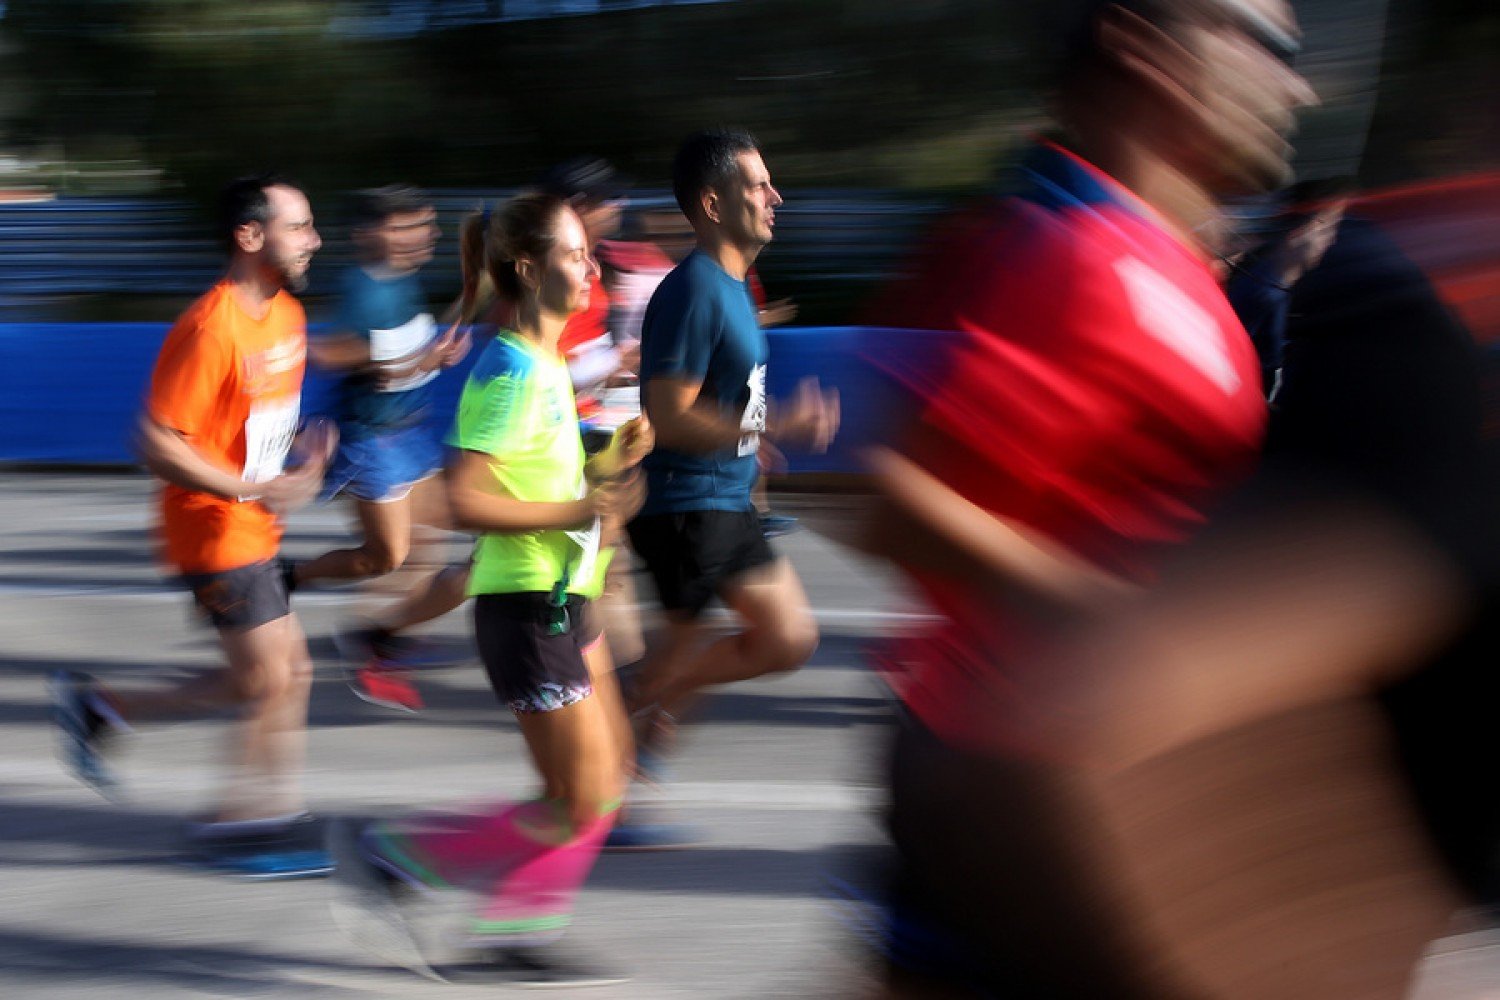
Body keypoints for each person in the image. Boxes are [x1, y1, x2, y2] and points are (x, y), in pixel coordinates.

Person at [853, 0, 1316, 993]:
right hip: (1019, 791)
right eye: (1269, 46)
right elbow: (904, 503)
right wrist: (1136, 612)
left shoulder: (1168, 263)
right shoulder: (1078, 259)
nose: (1298, 85)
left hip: (1094, 786)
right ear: (1147, 47)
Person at [333, 191, 651, 986]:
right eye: (576, 254)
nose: (592, 266)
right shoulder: (510, 368)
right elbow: (466, 496)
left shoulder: (543, 363)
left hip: (567, 597)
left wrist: (609, 464)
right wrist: (584, 502)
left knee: (605, 781)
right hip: (527, 609)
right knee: (576, 799)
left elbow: (543, 469)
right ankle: (398, 858)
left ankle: (517, 926)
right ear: (527, 267)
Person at [50, 174, 338, 878]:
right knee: (277, 676)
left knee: (269, 678)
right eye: (298, 226)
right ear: (250, 237)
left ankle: (104, 707)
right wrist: (249, 488)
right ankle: (247, 819)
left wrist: (294, 468)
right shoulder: (212, 326)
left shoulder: (288, 319)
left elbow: (251, 427)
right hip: (210, 531)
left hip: (250, 523)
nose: (315, 240)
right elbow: (155, 440)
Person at [625, 129, 839, 791]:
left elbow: (720, 402)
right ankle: (611, 752)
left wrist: (753, 437)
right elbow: (668, 413)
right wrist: (773, 421)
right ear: (714, 205)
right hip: (687, 505)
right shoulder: (694, 289)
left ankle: (631, 727)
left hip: (724, 497)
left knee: (787, 637)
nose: (776, 196)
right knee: (679, 663)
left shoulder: (731, 289)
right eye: (757, 185)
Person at [288, 184, 470, 711]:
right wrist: (422, 362)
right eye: (409, 225)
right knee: (384, 557)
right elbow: (332, 354)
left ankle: (385, 637)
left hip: (410, 432)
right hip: (369, 440)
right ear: (370, 233)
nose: (425, 235)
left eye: (426, 224)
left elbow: (398, 350)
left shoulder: (403, 281)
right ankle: (289, 580)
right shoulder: (363, 289)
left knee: (429, 544)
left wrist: (432, 352)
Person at [1225, 176, 1353, 398]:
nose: (1330, 240)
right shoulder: (1260, 294)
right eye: (1325, 227)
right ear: (1298, 231)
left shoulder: (1275, 290)